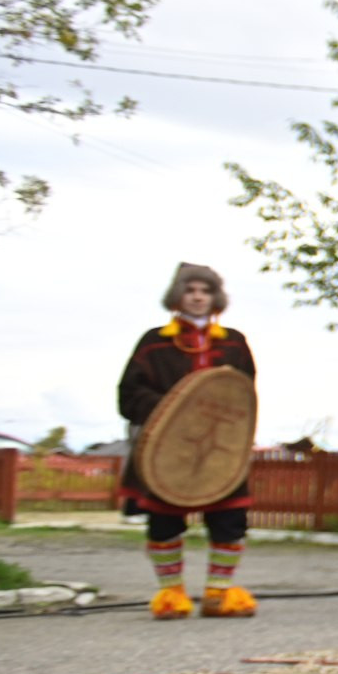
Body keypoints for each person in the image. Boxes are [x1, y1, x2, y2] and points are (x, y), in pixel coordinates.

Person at [118, 262, 257, 619]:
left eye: (204, 291)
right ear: (178, 296)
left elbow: (243, 395)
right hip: (168, 448)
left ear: (215, 297)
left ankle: (218, 593)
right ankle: (171, 594)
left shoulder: (234, 343)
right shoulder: (155, 342)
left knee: (229, 518)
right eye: (191, 290)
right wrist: (175, 409)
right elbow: (130, 394)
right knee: (164, 521)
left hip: (219, 449)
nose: (197, 297)